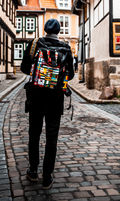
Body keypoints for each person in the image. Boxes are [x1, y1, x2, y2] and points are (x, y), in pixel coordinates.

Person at [21, 18, 74, 189]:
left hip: (36, 96)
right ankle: (47, 177)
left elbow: (24, 67)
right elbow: (71, 75)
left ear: (45, 29)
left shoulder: (35, 43)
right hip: (55, 99)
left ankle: (33, 171)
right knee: (52, 137)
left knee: (34, 134)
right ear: (58, 31)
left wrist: (39, 72)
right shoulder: (65, 47)